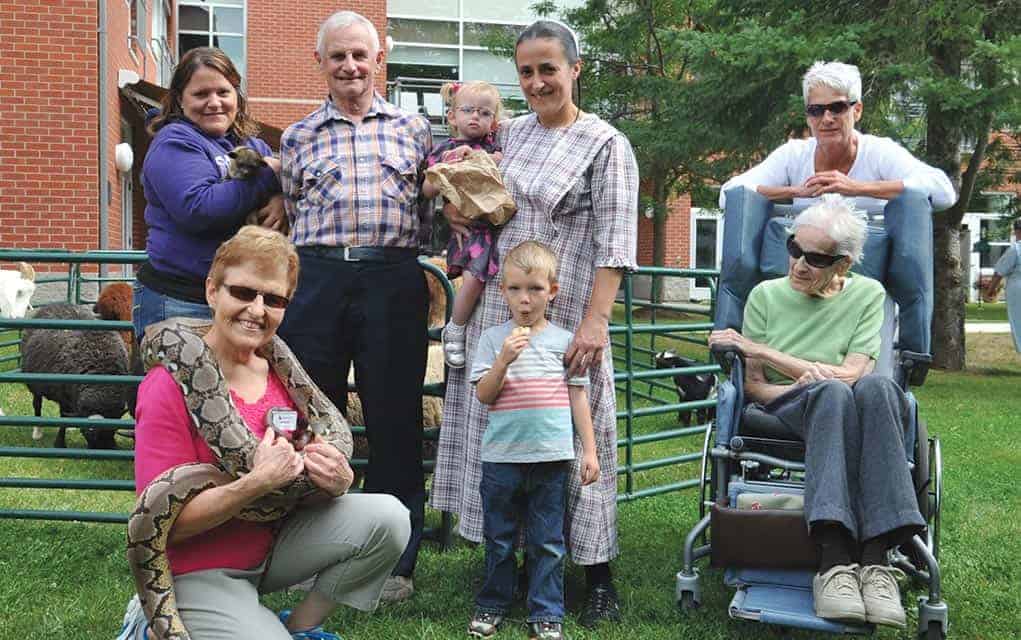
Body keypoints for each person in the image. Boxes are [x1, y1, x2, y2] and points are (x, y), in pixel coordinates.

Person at [433, 20, 639, 628]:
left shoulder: (605, 143)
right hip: (499, 310)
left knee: (575, 435)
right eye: (526, 71)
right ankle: (513, 563)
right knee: (505, 434)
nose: (537, 81)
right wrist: (456, 207)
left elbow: (616, 241)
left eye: (548, 68)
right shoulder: (509, 135)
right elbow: (469, 191)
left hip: (568, 313)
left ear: (576, 69)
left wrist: (596, 321)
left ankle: (597, 573)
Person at [118, 226, 411, 640]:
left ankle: (299, 628)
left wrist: (337, 481)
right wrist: (255, 484)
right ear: (211, 291)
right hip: (200, 567)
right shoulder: (166, 386)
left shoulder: (280, 377)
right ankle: (152, 624)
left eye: (273, 300)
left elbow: (301, 455)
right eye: (242, 292)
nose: (256, 310)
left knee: (390, 519)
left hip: (270, 545)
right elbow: (165, 523)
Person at [708, 195, 926, 629]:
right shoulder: (765, 297)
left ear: (843, 265)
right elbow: (753, 386)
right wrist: (801, 380)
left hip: (846, 400)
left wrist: (762, 348)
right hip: (783, 404)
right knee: (832, 393)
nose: (799, 265)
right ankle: (834, 561)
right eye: (793, 250)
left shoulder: (869, 295)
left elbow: (852, 374)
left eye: (814, 258)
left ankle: (875, 564)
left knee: (877, 386)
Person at [277, 10, 433, 603]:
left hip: (392, 279)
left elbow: (429, 217)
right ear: (320, 63)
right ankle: (318, 550)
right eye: (337, 56)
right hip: (316, 280)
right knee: (317, 418)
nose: (350, 66)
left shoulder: (414, 130)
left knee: (395, 419)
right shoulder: (297, 137)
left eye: (360, 55)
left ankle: (395, 564)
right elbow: (292, 210)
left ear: (378, 61)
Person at [467, 242, 599, 640]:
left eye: (535, 289)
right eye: (516, 289)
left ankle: (547, 612)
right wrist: (504, 360)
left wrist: (589, 451)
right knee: (500, 539)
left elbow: (578, 395)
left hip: (551, 457)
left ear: (552, 291)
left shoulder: (565, 341)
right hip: (501, 458)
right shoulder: (493, 340)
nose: (525, 300)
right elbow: (484, 395)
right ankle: (492, 603)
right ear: (503, 291)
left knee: (548, 541)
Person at [134, 47, 286, 340]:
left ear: (236, 96)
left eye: (223, 92)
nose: (214, 103)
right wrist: (268, 175)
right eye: (201, 94)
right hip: (180, 299)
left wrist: (280, 198)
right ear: (180, 98)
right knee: (177, 386)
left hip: (239, 298)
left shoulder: (253, 144)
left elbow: (276, 189)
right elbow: (200, 209)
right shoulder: (173, 143)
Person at [718, 61, 956, 214]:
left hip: (870, 273)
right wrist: (795, 192)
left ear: (857, 110)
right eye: (816, 110)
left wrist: (857, 188)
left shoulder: (878, 152)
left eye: (838, 107)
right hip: (807, 271)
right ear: (808, 116)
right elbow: (729, 195)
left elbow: (943, 192)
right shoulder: (794, 154)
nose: (827, 118)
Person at [420, 81, 507, 369]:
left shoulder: (495, 147)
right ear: (452, 117)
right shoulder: (446, 150)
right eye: (468, 110)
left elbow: (501, 163)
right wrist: (447, 170)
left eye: (484, 113)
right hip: (472, 231)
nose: (475, 117)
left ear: (494, 120)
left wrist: (485, 158)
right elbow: (427, 190)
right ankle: (455, 329)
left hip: (497, 227)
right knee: (474, 278)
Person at [984, 218, 1021, 352]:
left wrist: (990, 291)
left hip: (1018, 290)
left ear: (1016, 231)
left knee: (1019, 320)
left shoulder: (1016, 249)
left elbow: (999, 273)